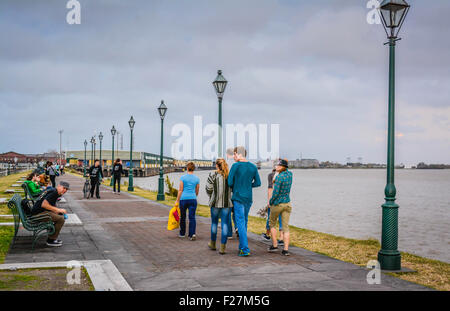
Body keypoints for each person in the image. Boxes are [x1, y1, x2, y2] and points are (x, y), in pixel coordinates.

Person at [227, 146, 261, 257]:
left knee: (240, 222)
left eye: (235, 154)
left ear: (240, 154)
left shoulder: (235, 166)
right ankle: (242, 247)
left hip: (238, 197)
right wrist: (247, 185)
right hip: (248, 198)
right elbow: (257, 183)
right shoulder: (253, 166)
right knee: (244, 222)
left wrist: (238, 185)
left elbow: (229, 182)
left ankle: (245, 249)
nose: (234, 156)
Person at [205, 158, 233, 254]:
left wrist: (212, 196)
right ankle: (222, 247)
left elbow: (208, 189)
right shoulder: (229, 175)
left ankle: (213, 243)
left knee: (214, 223)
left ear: (217, 165)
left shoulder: (213, 175)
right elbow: (232, 188)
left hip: (215, 203)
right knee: (225, 224)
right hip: (227, 203)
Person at [30, 181, 70, 247]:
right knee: (61, 219)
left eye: (66, 189)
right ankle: (51, 240)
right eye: (64, 188)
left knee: (58, 215)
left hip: (37, 212)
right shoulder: (54, 192)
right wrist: (58, 210)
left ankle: (51, 236)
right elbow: (44, 205)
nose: (65, 190)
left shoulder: (53, 190)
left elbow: (49, 205)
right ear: (59, 186)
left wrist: (56, 211)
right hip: (37, 215)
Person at [268, 159, 293, 256]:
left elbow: (275, 193)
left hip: (278, 204)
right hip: (287, 203)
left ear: (283, 167)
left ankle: (274, 245)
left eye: (278, 165)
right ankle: (286, 250)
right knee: (286, 227)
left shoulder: (279, 178)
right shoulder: (290, 175)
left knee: (272, 223)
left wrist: (271, 202)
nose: (276, 167)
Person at [175, 162, 200, 241]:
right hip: (192, 199)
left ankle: (182, 233)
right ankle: (192, 234)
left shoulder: (183, 178)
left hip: (183, 199)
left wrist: (177, 200)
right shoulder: (197, 179)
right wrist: (193, 196)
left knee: (183, 216)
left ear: (187, 168)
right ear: (194, 169)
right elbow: (197, 191)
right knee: (192, 217)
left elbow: (180, 190)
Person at [261, 167, 284, 245]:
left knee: (270, 218)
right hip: (283, 200)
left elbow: (270, 189)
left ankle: (268, 234)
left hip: (274, 200)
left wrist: (269, 201)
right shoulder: (284, 176)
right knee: (281, 218)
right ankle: (281, 238)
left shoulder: (271, 175)